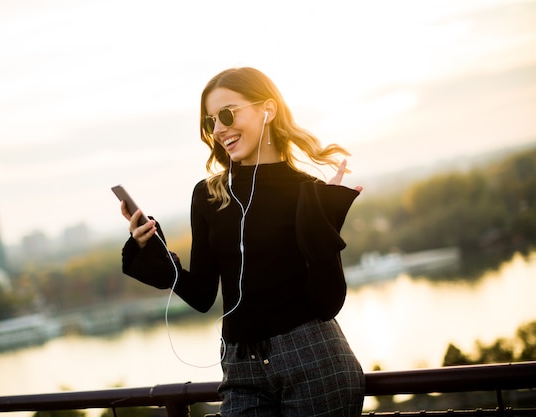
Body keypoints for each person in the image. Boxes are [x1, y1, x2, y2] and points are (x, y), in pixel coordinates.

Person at [120, 67, 365, 417]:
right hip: (240, 368)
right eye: (210, 122)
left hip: (313, 357)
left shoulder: (308, 192)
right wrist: (150, 248)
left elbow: (327, 303)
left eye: (226, 114)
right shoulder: (209, 195)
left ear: (268, 109)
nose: (218, 129)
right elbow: (203, 294)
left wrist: (323, 217)